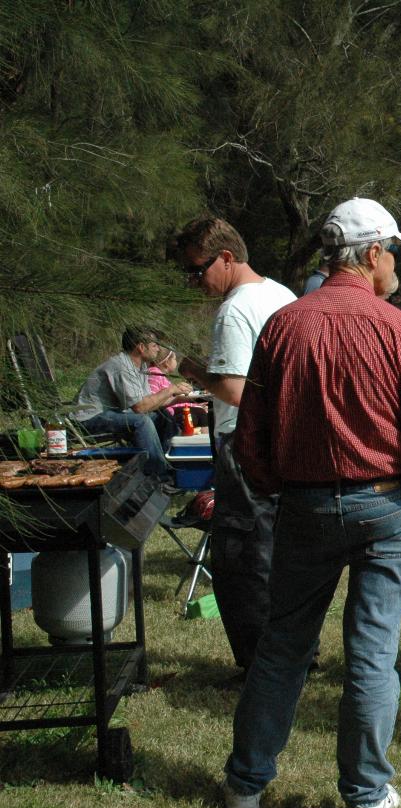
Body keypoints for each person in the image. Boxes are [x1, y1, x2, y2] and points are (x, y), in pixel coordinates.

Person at [221, 197, 401, 808]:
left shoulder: (283, 326)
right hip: (385, 505)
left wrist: (279, 485)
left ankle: (245, 786)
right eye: (394, 258)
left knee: (283, 647)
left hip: (304, 502)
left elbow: (251, 436)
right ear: (374, 255)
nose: (397, 273)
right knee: (371, 654)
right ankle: (364, 798)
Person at [173, 216, 296, 672]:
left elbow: (233, 389)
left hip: (244, 443)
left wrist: (193, 370)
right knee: (281, 554)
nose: (195, 282)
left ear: (227, 258)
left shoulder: (235, 309)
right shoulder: (281, 293)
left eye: (198, 270)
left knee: (244, 558)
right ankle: (292, 653)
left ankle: (259, 665)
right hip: (283, 440)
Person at [72, 327, 191, 479]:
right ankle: (158, 475)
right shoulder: (122, 367)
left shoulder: (140, 367)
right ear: (141, 347)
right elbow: (140, 408)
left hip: (113, 414)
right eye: (155, 345)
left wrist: (179, 398)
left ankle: (169, 464)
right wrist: (170, 390)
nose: (158, 349)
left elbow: (151, 403)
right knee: (141, 421)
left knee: (162, 416)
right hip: (89, 417)